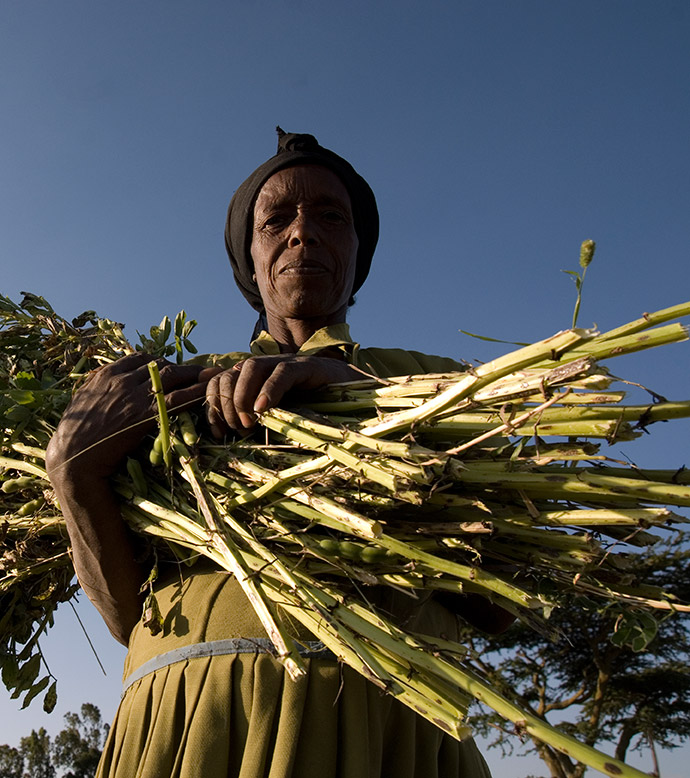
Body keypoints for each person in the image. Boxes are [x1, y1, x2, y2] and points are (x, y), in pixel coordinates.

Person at [45, 130, 497, 778]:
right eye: (276, 218)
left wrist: (366, 402)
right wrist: (74, 477)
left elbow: (506, 600)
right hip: (186, 729)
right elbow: (131, 617)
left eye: (330, 217)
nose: (303, 232)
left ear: (356, 251)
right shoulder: (169, 392)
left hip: (387, 731)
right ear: (249, 262)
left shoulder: (436, 384)